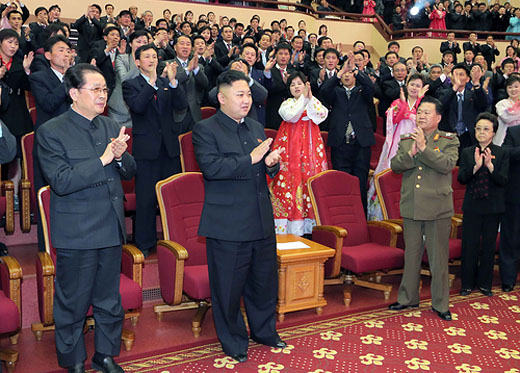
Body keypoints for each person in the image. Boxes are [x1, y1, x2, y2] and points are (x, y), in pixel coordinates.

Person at [36, 63, 136, 373]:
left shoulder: (109, 125)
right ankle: (74, 360)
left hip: (110, 226)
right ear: (74, 93)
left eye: (105, 89)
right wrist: (104, 159)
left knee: (110, 300)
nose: (103, 95)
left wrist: (120, 157)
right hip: (77, 230)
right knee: (73, 302)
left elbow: (130, 171)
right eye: (95, 89)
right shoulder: (51, 131)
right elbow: (62, 182)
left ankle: (105, 355)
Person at [192, 70, 285, 363]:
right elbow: (213, 169)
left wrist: (270, 164)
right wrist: (253, 159)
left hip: (259, 218)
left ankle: (264, 331)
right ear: (222, 98)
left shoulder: (255, 126)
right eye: (240, 95)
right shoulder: (205, 130)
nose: (246, 100)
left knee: (264, 281)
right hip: (228, 223)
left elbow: (261, 171)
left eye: (248, 94)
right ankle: (233, 339)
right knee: (228, 288)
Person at [388, 96, 459, 321]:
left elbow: (447, 165)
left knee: (438, 258)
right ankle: (407, 298)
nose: (422, 116)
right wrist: (411, 153)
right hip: (412, 205)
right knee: (412, 255)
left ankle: (440, 304)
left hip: (437, 206)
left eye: (427, 113)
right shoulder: (407, 138)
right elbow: (395, 166)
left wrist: (424, 148)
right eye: (420, 112)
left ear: (438, 117)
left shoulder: (449, 139)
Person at [123, 44, 187, 257]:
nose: (152, 60)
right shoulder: (130, 84)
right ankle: (144, 243)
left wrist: (174, 82)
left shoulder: (166, 83)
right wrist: (151, 85)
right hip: (146, 150)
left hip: (168, 148)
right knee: (146, 199)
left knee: (172, 197)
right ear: (138, 61)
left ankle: (174, 241)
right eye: (146, 57)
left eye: (154, 56)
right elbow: (138, 107)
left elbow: (181, 105)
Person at [270, 72, 328, 235]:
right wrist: (304, 98)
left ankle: (310, 224)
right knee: (290, 179)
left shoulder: (312, 100)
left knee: (309, 178)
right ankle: (289, 224)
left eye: (299, 83)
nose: (296, 87)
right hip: (290, 148)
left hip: (310, 148)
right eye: (292, 84)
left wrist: (309, 99)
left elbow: (322, 115)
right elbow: (291, 116)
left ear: (306, 85)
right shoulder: (287, 104)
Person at [458, 113, 508, 297]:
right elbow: (461, 178)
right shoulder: (467, 152)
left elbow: (503, 180)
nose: (481, 132)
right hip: (472, 206)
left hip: (493, 207)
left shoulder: (502, 152)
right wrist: (476, 167)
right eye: (478, 128)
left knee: (488, 246)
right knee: (469, 245)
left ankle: (485, 284)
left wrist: (490, 166)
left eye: (486, 129)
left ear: (494, 132)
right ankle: (467, 284)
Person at [367, 74, 428, 220]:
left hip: (416, 144)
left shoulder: (425, 105)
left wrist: (416, 103)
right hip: (396, 144)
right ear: (406, 85)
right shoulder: (397, 102)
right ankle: (384, 216)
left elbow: (426, 123)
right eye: (412, 84)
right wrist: (403, 107)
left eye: (418, 86)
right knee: (390, 172)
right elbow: (391, 119)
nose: (414, 88)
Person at [320, 52, 375, 213]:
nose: (347, 76)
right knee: (341, 182)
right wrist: (340, 72)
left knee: (360, 181)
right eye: (345, 73)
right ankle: (342, 214)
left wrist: (356, 69)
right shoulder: (336, 92)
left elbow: (371, 87)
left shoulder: (362, 91)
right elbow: (324, 90)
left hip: (361, 143)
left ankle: (361, 216)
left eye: (350, 73)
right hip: (340, 143)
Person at [500, 121, 520, 292]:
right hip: (515, 195)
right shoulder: (513, 131)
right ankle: (508, 279)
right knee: (511, 238)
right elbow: (504, 152)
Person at [495, 75, 520, 145]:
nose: (513, 90)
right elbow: (506, 118)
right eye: (510, 87)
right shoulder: (501, 104)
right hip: (503, 139)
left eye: (516, 87)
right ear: (506, 89)